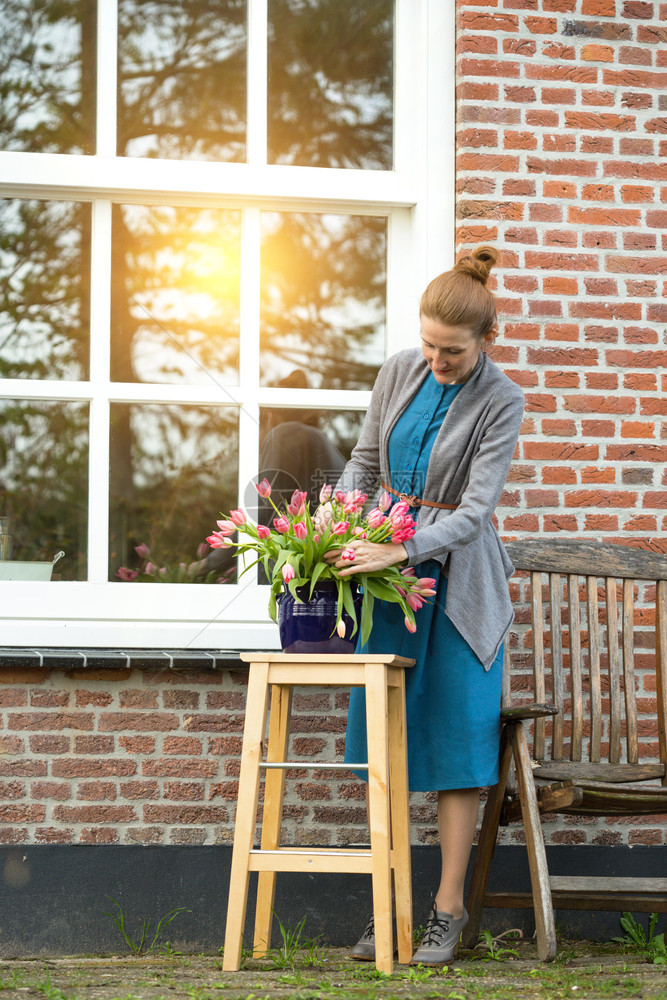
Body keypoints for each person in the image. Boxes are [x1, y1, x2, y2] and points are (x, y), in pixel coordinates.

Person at [318, 246, 525, 966]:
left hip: (457, 589)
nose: (435, 361)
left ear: (484, 342)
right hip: (386, 585)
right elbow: (365, 463)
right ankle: (387, 905)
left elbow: (472, 514)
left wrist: (398, 551)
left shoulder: (502, 399)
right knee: (389, 747)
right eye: (429, 345)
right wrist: (337, 521)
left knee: (457, 750)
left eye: (452, 352)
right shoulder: (399, 369)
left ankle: (444, 911)